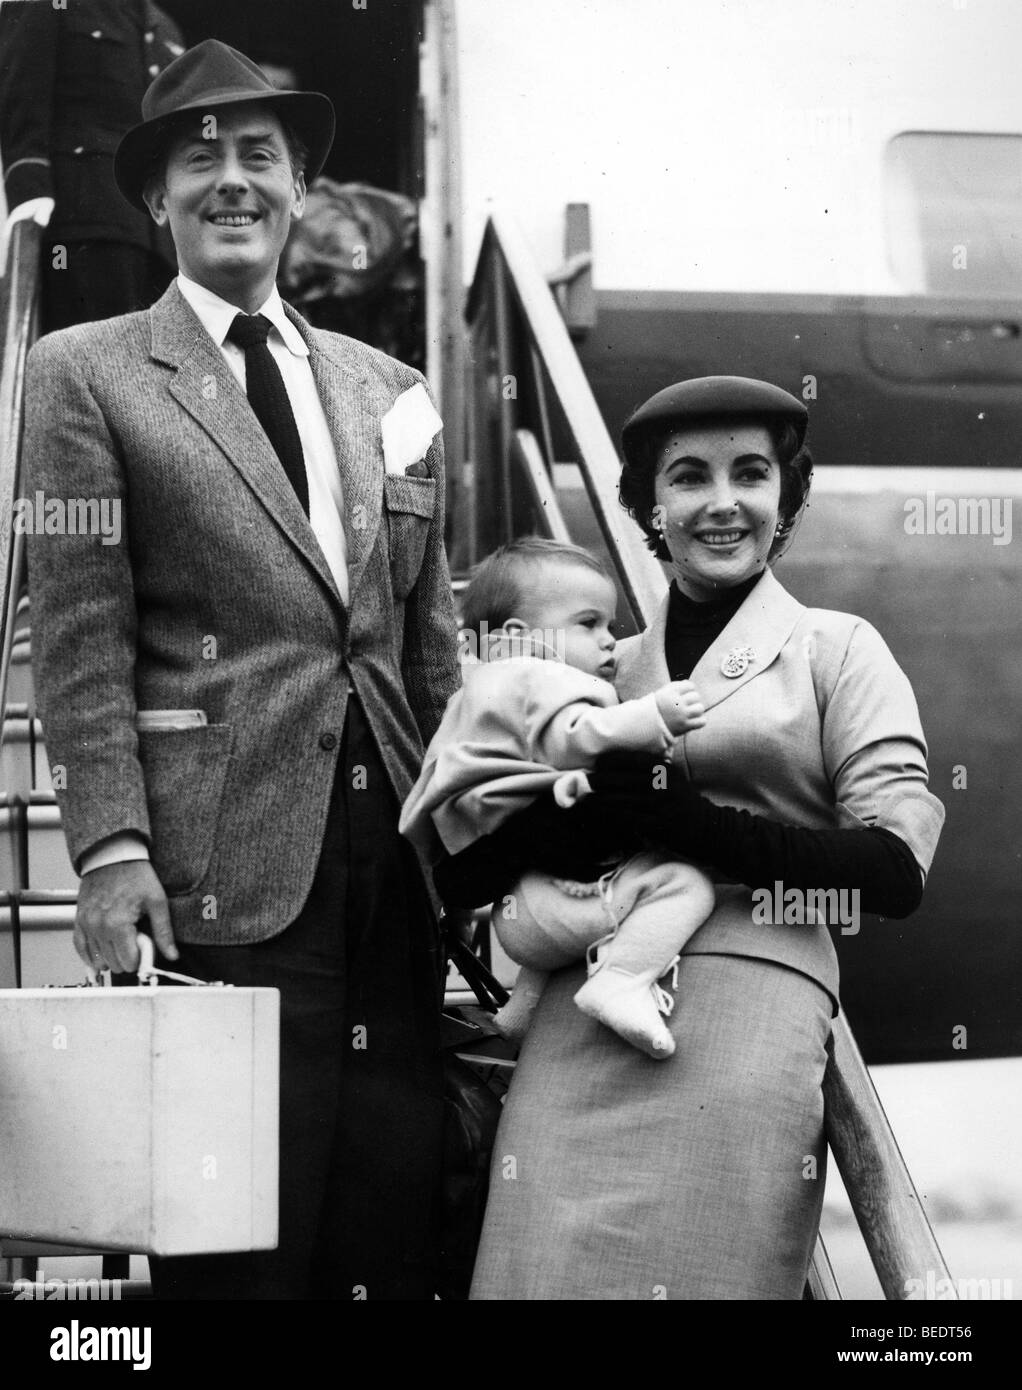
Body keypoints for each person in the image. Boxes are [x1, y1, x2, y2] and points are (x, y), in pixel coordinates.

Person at [23, 40, 460, 1300]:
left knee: (384, 1227)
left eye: (257, 154)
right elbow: (79, 633)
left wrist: (470, 839)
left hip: (395, 864)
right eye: (196, 156)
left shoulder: (389, 387)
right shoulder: (85, 371)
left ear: (299, 187)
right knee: (237, 1246)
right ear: (154, 197)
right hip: (222, 873)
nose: (230, 179)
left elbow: (422, 638)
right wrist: (110, 850)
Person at [435, 376, 945, 1300]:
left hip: (752, 1001)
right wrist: (568, 815)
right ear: (648, 506)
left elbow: (895, 870)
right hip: (581, 1007)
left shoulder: (839, 648)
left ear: (784, 499)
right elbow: (467, 862)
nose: (722, 502)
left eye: (751, 474)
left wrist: (694, 830)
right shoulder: (597, 669)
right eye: (688, 478)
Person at [400, 537, 714, 1058]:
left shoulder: (486, 687)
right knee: (683, 884)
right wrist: (652, 715)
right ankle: (623, 981)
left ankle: (521, 1012)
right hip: (544, 908)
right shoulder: (538, 675)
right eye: (588, 624)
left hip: (522, 907)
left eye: (610, 625)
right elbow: (574, 735)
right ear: (520, 639)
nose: (610, 641)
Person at [0, 0, 183, 330]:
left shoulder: (164, 25)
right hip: (82, 220)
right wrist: (28, 188)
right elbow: (22, 93)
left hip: (159, 235)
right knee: (88, 355)